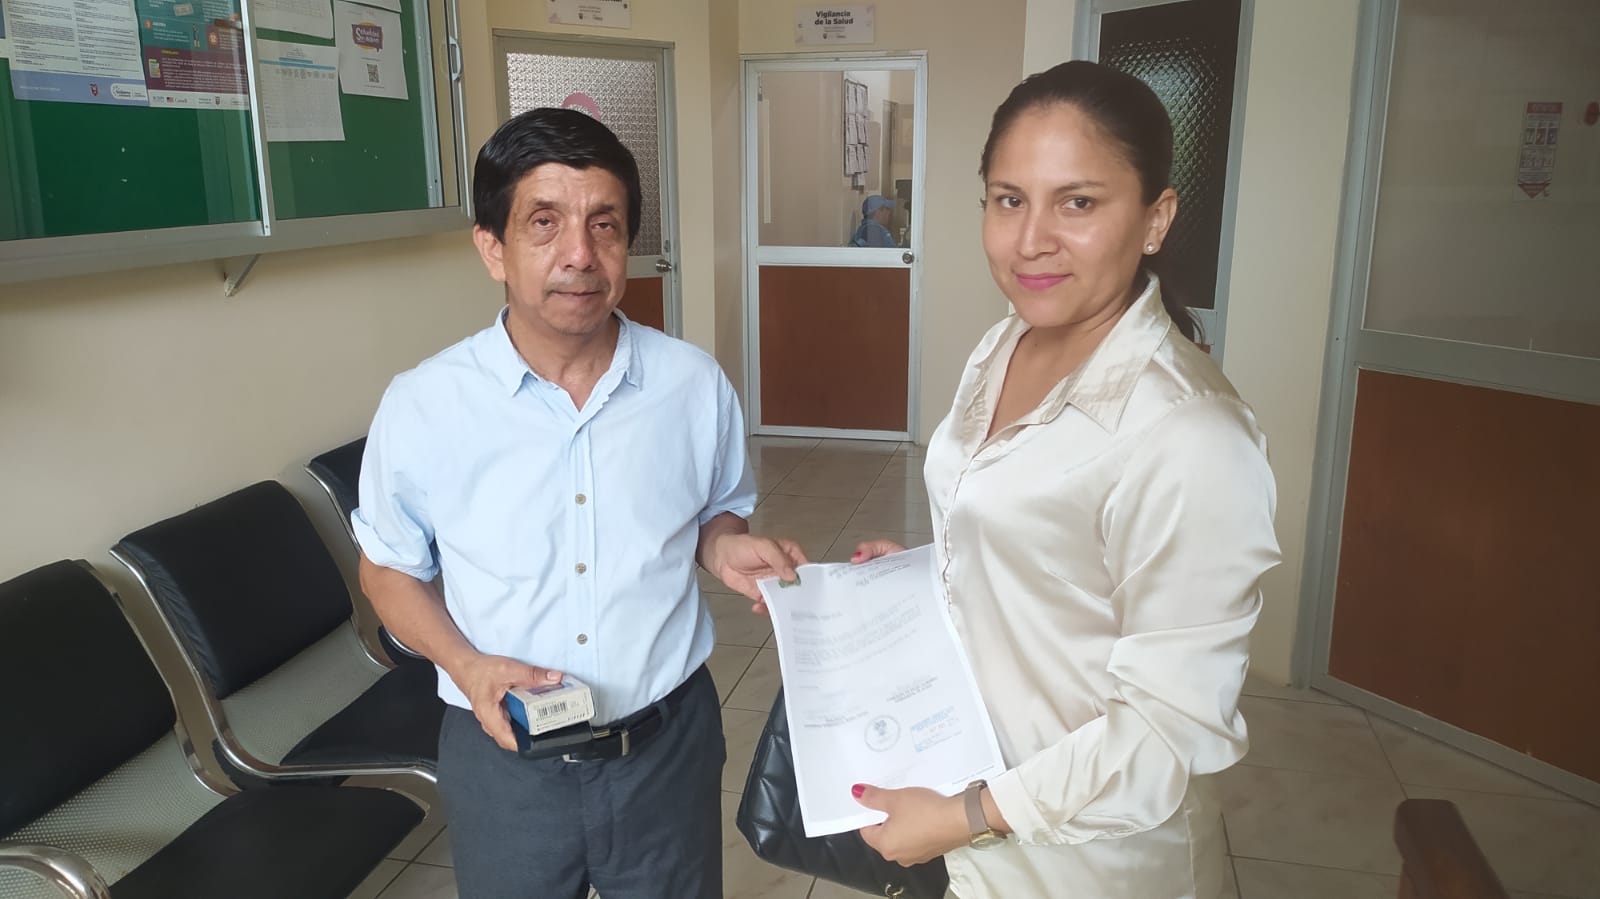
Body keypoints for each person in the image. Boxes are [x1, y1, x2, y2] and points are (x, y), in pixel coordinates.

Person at [843, 61, 1280, 898]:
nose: (1031, 239)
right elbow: (1038, 550)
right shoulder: (1005, 342)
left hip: (1087, 867)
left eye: (1077, 202)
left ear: (1155, 218)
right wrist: (933, 575)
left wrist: (969, 814)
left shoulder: (1190, 435)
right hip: (968, 811)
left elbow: (1167, 731)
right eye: (1009, 200)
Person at [352, 107, 806, 899]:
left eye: (605, 224)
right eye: (544, 223)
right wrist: (465, 664)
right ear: (491, 247)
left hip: (664, 746)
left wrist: (724, 545)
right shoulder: (424, 404)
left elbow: (715, 513)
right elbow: (388, 569)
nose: (580, 255)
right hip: (505, 758)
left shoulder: (691, 384)